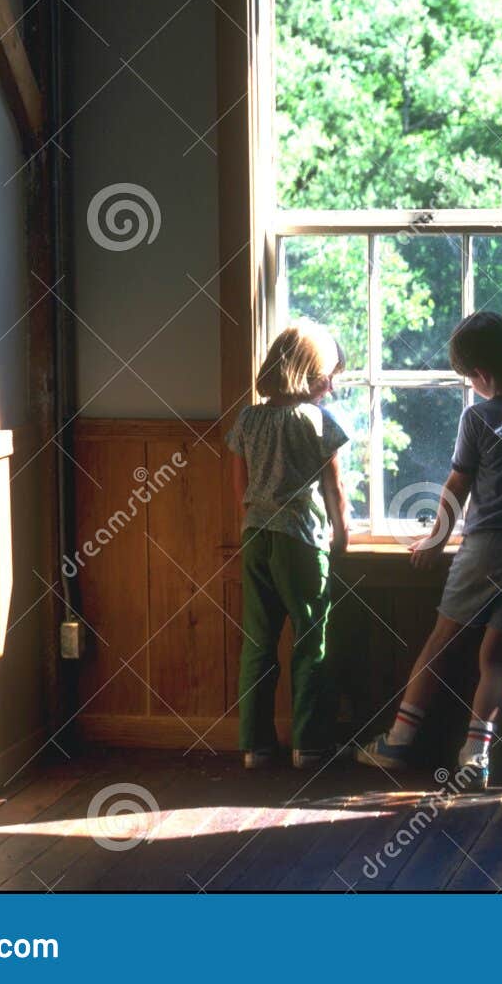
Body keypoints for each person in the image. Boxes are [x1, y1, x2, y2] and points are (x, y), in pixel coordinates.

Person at [358, 311, 502, 788]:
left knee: (438, 645)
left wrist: (436, 539)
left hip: (485, 548)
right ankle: (476, 757)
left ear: (481, 376)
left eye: (470, 379)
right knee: (497, 658)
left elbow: (456, 488)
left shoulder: (478, 418)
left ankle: (398, 742)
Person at [226, 320, 351, 769]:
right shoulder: (317, 421)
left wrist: (255, 517)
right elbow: (334, 488)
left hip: (257, 537)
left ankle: (254, 747)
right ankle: (308, 745)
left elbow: (240, 485)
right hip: (301, 541)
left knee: (258, 641)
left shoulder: (249, 418)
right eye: (327, 376)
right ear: (305, 372)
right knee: (310, 640)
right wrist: (341, 531)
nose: (332, 387)